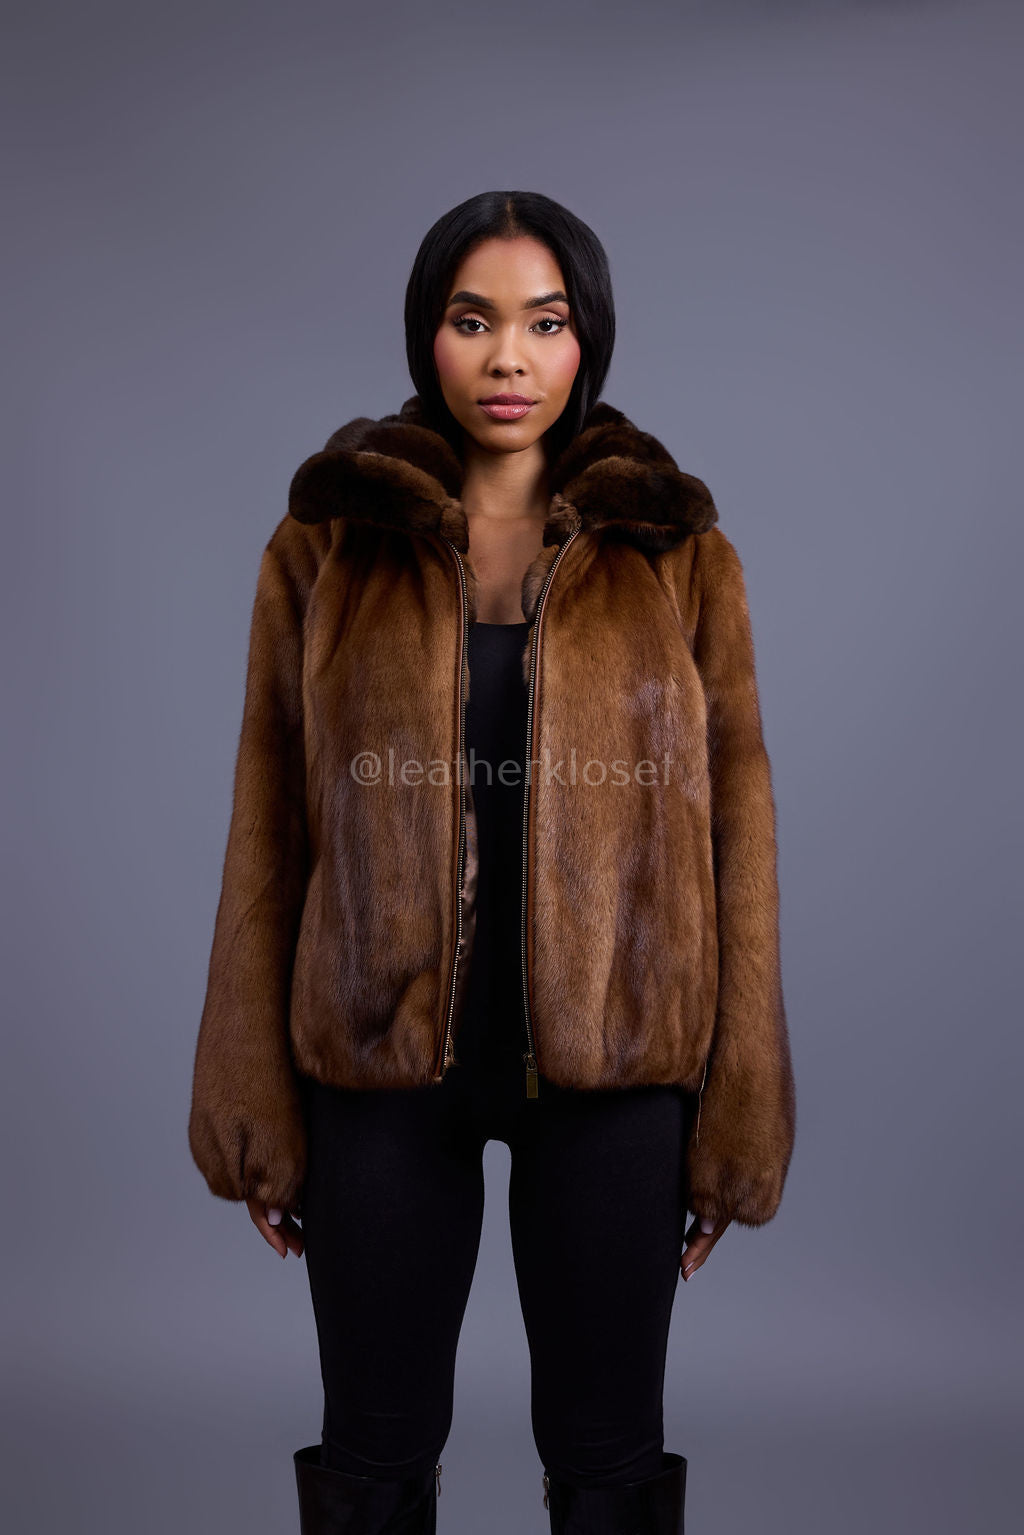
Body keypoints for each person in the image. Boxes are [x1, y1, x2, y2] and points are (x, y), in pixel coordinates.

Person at [188, 189, 797, 1535]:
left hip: (618, 1073)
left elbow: (738, 837)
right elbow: (267, 824)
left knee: (610, 1456)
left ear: (589, 342)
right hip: (377, 1069)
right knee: (374, 1449)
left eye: (545, 322)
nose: (508, 358)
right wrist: (250, 1102)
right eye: (473, 321)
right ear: (428, 333)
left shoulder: (677, 552)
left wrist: (740, 1114)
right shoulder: (330, 542)